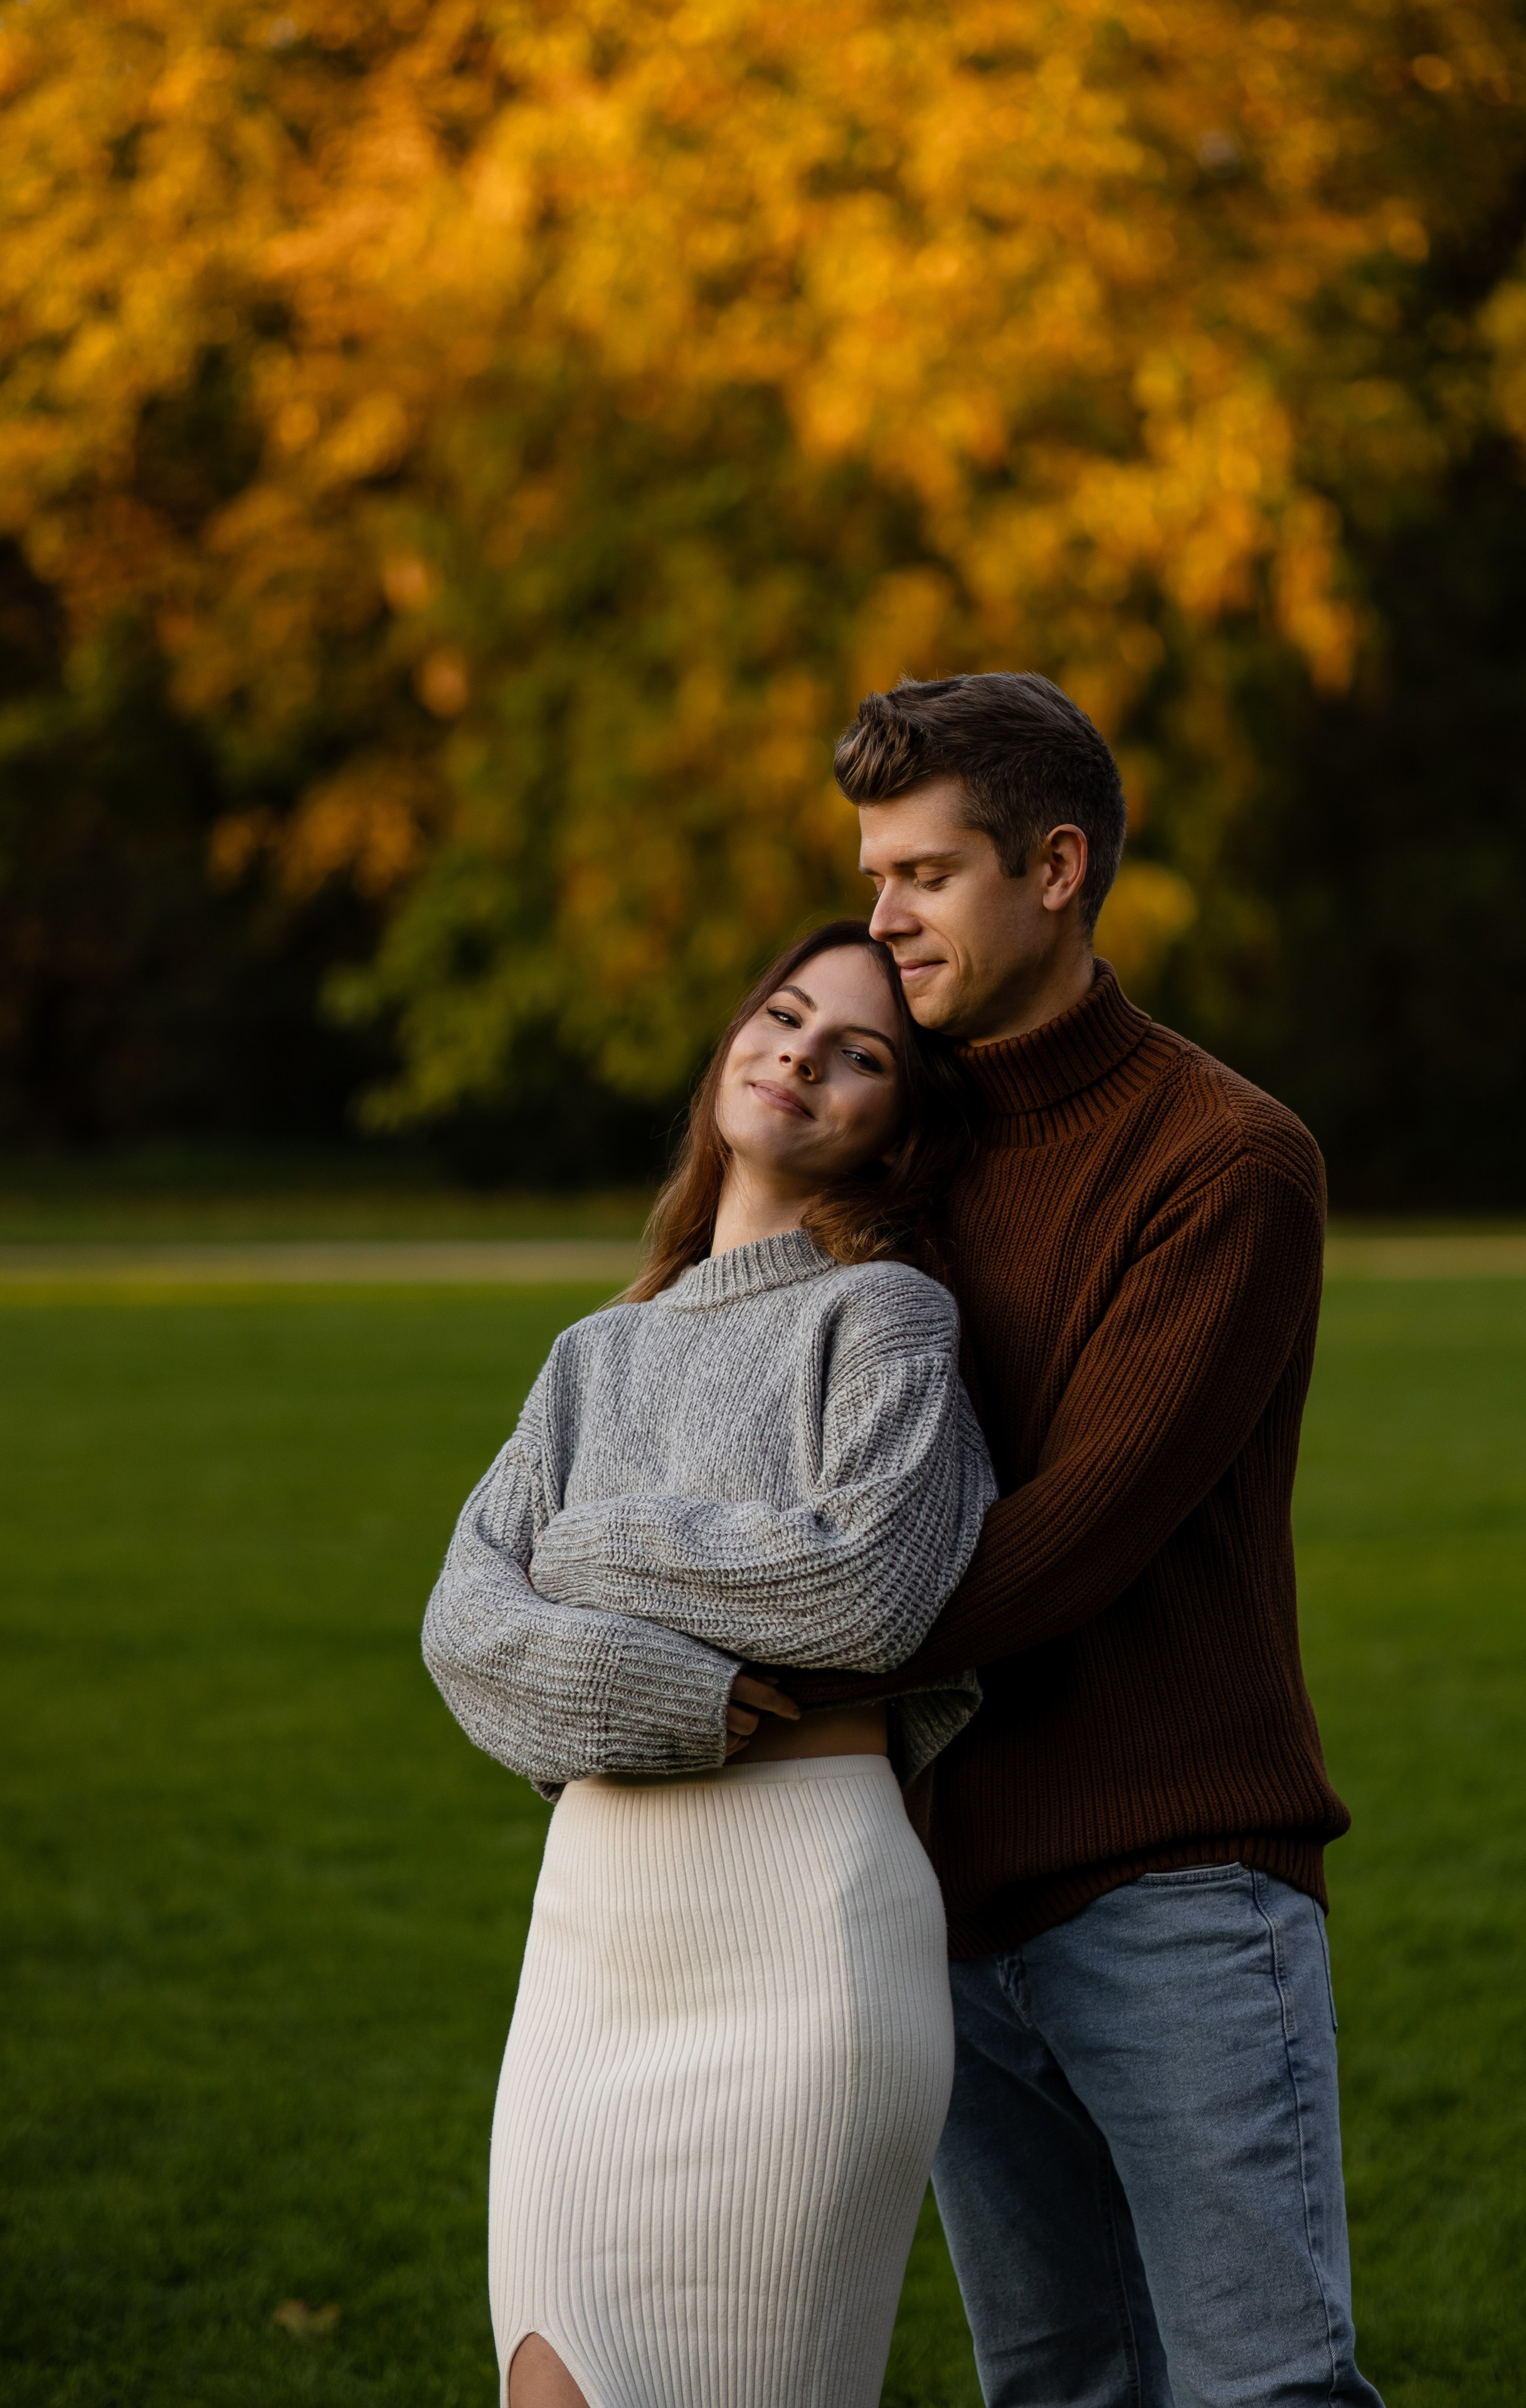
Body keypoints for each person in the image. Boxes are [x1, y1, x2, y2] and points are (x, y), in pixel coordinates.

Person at [775, 673, 1385, 2407]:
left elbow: (1064, 1546)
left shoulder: (1229, 1162)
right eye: (873, 877)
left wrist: (757, 1670)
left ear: (1056, 869)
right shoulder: (900, 1135)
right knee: (1058, 2390)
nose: (879, 919)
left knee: (1262, 2389)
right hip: (943, 1890)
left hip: (1174, 1884)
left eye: (925, 876)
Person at [422, 921, 997, 2408]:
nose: (801, 1054)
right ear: (731, 1045)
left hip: (800, 1946)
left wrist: (591, 1551)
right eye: (785, 1016)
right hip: (589, 1949)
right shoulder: (591, 1355)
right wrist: (672, 1692)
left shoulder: (887, 1319)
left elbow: (866, 1588)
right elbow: (464, 1629)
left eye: (858, 1052)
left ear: (895, 1129)